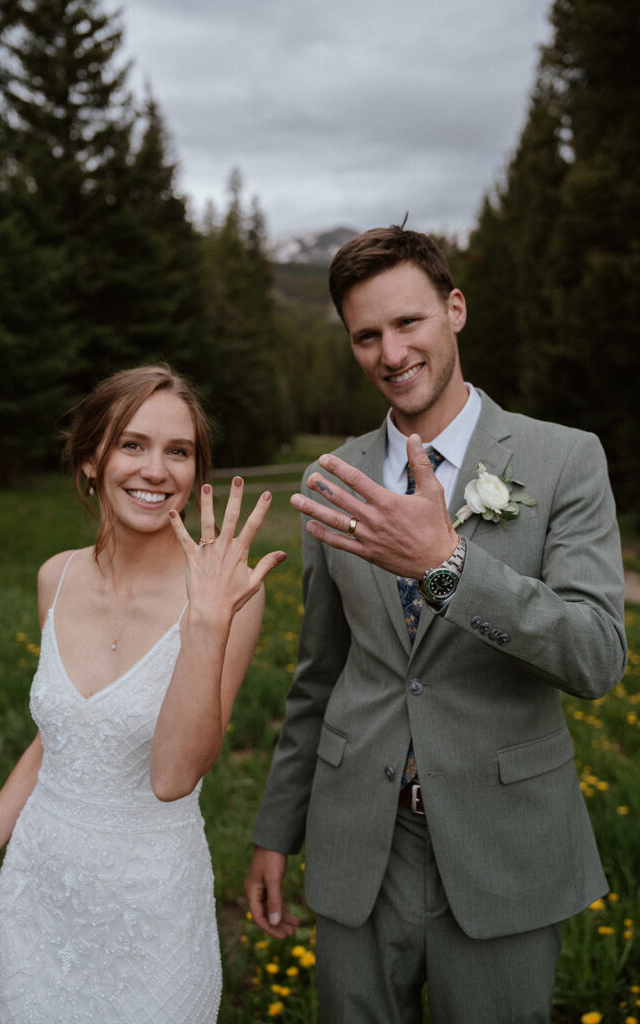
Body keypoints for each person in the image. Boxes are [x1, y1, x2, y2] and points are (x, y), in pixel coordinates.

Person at [244, 227, 627, 1023]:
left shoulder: (564, 460)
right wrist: (275, 830)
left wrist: (447, 566)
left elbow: (595, 657)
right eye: (366, 335)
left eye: (407, 322)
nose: (390, 352)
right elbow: (320, 670)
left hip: (502, 845)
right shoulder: (330, 478)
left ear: (454, 310)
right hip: (357, 842)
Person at [0, 364, 285, 1023]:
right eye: (132, 444)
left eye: (179, 451)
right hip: (39, 895)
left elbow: (173, 775)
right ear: (90, 460)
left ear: (198, 473)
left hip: (150, 908)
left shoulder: (229, 599)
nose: (155, 470)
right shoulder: (56, 576)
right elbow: (59, 741)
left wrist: (205, 623)